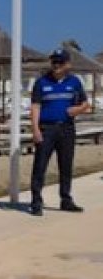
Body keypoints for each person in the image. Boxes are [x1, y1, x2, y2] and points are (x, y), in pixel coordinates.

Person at [29, 48, 91, 217]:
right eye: (54, 62)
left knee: (66, 166)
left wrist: (77, 109)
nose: (56, 65)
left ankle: (66, 200)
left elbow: (86, 104)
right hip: (46, 129)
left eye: (60, 62)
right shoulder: (41, 82)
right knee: (40, 165)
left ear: (68, 64)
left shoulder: (75, 82)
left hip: (66, 128)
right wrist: (35, 129)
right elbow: (35, 106)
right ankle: (36, 201)